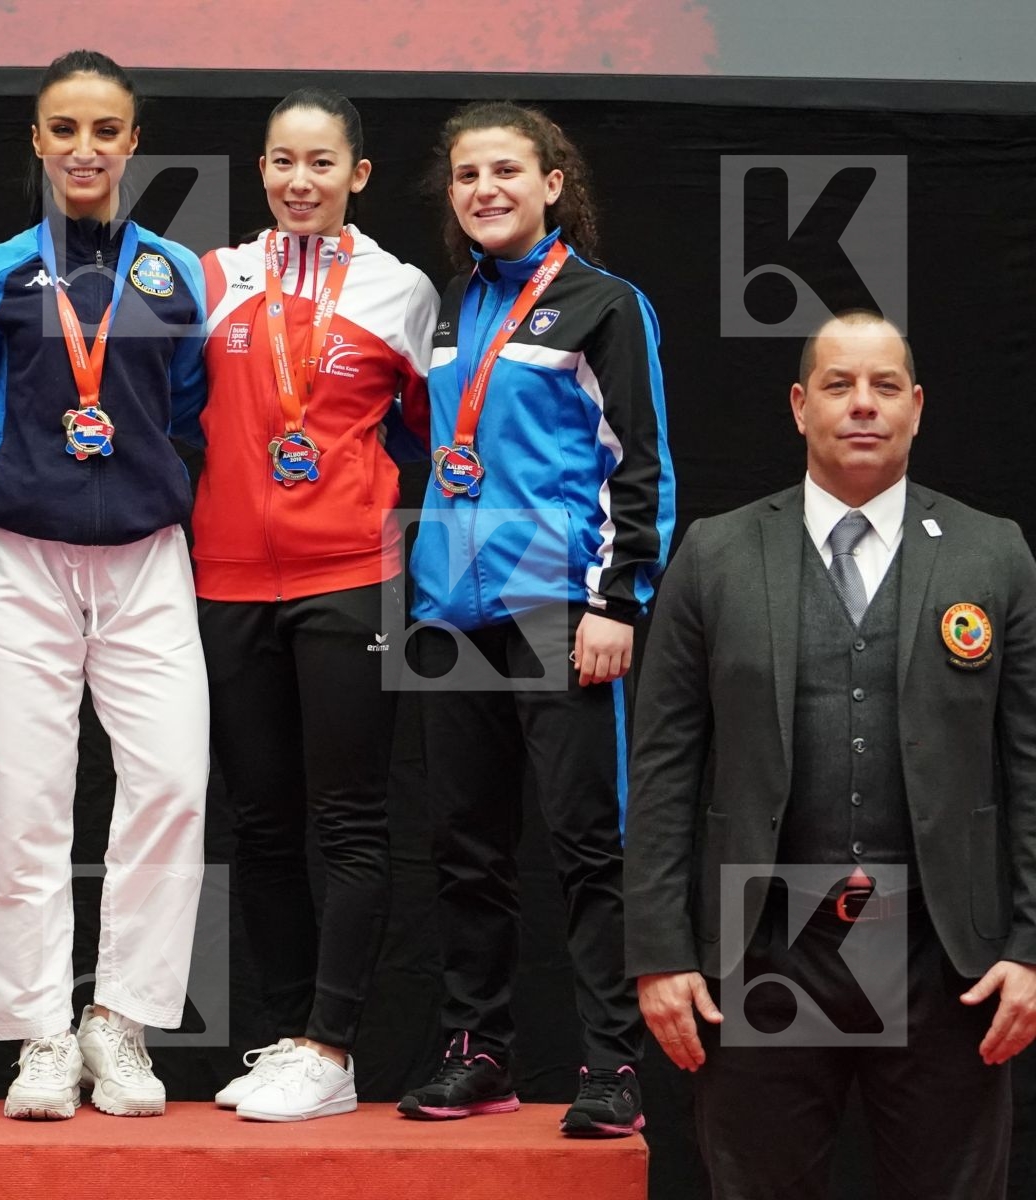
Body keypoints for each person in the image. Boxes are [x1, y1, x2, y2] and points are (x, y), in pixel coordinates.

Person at [626, 310, 1036, 1197]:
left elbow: (1030, 764)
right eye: (840, 386)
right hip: (764, 945)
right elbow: (662, 766)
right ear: (799, 404)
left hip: (944, 954)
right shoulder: (717, 554)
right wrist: (660, 951)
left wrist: (1033, 946)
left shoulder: (992, 552)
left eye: (885, 386)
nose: (863, 405)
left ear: (917, 408)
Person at [397, 100, 674, 1137]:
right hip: (446, 608)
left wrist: (618, 601)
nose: (486, 191)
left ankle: (613, 1063)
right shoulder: (441, 312)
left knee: (587, 843)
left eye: (507, 171)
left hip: (560, 607)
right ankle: (480, 1053)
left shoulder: (605, 304)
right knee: (465, 847)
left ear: (553, 182)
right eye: (468, 175)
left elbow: (641, 464)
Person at [0, 49, 209, 1121]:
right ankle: (43, 1035)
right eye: (66, 129)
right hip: (19, 555)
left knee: (172, 784)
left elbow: (190, 404)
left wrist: (138, 481)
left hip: (146, 556)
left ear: (134, 141)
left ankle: (123, 1024)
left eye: (106, 130)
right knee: (22, 797)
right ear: (38, 140)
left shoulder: (176, 273)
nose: (86, 149)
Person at [192, 88, 436, 1122]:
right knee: (258, 819)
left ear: (358, 176)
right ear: (261, 170)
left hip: (350, 574)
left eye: (322, 163)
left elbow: (440, 435)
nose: (301, 181)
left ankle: (330, 1046)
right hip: (226, 577)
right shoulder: (212, 278)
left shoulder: (402, 290)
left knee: (348, 816)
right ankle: (284, 1040)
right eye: (284, 162)